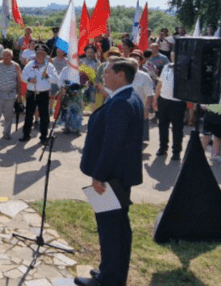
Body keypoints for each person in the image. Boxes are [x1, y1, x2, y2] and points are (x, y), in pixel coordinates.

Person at [76, 58, 144, 286]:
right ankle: (111, 271)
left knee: (110, 228)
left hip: (111, 178)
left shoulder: (122, 103)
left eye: (107, 72)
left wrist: (99, 176)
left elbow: (111, 145)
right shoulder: (127, 97)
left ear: (121, 75)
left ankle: (109, 279)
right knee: (118, 227)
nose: (104, 76)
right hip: (118, 176)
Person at [19, 44, 59, 143]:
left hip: (44, 94)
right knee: (28, 115)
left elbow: (56, 80)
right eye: (38, 54)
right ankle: (26, 135)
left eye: (42, 54)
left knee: (44, 116)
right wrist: (29, 79)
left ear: (45, 55)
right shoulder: (30, 64)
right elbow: (23, 76)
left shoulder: (49, 66)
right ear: (35, 54)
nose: (40, 56)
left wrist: (47, 76)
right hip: (31, 93)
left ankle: (44, 137)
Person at [200, 75, 221, 164]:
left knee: (218, 137)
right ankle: (200, 154)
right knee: (206, 136)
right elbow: (203, 102)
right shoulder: (211, 93)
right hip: (209, 117)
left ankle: (216, 155)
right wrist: (204, 106)